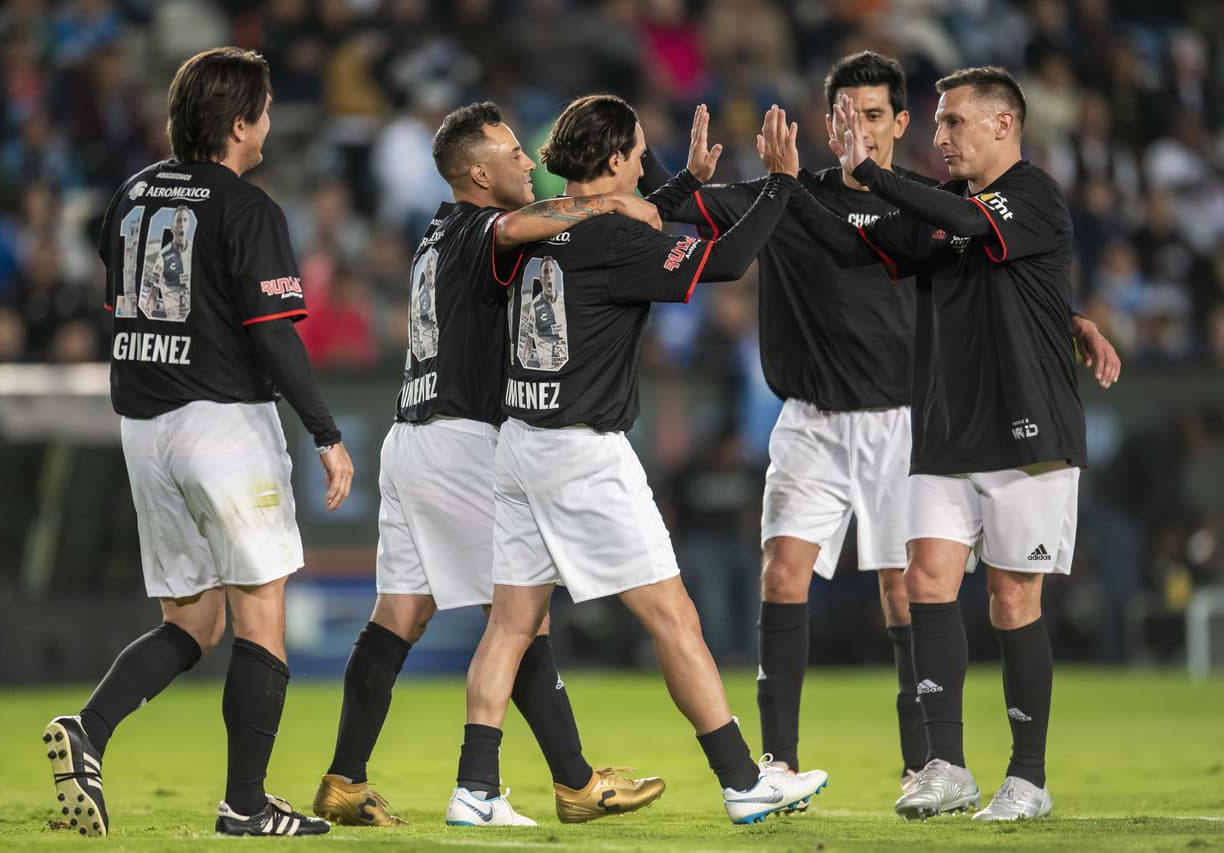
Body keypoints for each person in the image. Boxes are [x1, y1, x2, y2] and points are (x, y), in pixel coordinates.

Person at [639, 51, 1120, 795]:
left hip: (925, 419)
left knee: (942, 590)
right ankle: (827, 760)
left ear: (899, 124)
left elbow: (1006, 260)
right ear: (827, 124)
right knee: (827, 574)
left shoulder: (953, 201)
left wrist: (1070, 319)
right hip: (845, 421)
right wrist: (721, 182)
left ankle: (965, 765)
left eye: (875, 116)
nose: (858, 130)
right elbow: (833, 240)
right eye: (845, 117)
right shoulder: (805, 196)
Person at [450, 95, 829, 828]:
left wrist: (682, 183)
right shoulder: (614, 238)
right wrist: (781, 181)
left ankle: (476, 786)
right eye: (636, 151)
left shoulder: (540, 227)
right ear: (619, 158)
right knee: (675, 618)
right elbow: (728, 259)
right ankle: (743, 779)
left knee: (511, 625)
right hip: (583, 452)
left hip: (519, 443)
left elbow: (611, 219)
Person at [313, 101, 669, 828]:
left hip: (411, 435)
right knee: (521, 619)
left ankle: (345, 780)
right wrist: (604, 202)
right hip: (463, 439)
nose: (526, 162)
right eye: (511, 152)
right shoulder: (480, 227)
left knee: (399, 615)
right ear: (477, 171)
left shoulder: (434, 233)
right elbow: (515, 226)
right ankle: (568, 782)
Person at [784, 66, 1120, 821]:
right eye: (935, 125)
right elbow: (853, 240)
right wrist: (790, 186)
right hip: (943, 429)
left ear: (1004, 124)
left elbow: (975, 229)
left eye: (953, 123)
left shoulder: (1032, 195)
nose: (939, 137)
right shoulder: (947, 208)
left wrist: (870, 169)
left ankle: (1027, 777)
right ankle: (945, 765)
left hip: (1026, 429)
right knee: (924, 581)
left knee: (1009, 598)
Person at [41, 47, 352, 838]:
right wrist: (326, 432)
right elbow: (276, 339)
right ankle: (245, 805)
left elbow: (124, 306)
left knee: (194, 621)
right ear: (241, 122)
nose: (271, 123)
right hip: (221, 424)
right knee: (260, 614)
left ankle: (90, 729)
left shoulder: (131, 193)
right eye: (267, 109)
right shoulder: (248, 208)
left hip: (143, 427)